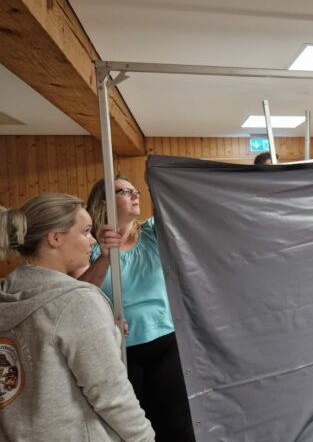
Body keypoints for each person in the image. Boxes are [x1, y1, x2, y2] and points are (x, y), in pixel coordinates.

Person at [0, 193, 154, 441]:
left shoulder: (6, 295)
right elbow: (112, 395)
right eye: (85, 231)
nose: (93, 241)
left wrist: (106, 330)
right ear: (55, 238)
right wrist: (145, 438)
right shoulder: (78, 302)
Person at [78, 176, 195, 442]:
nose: (135, 195)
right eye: (125, 191)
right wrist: (105, 259)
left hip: (166, 341)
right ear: (105, 201)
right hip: (119, 350)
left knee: (179, 426)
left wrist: (159, 181)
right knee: (133, 429)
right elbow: (80, 296)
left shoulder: (152, 232)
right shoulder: (92, 244)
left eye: (136, 191)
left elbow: (178, 212)